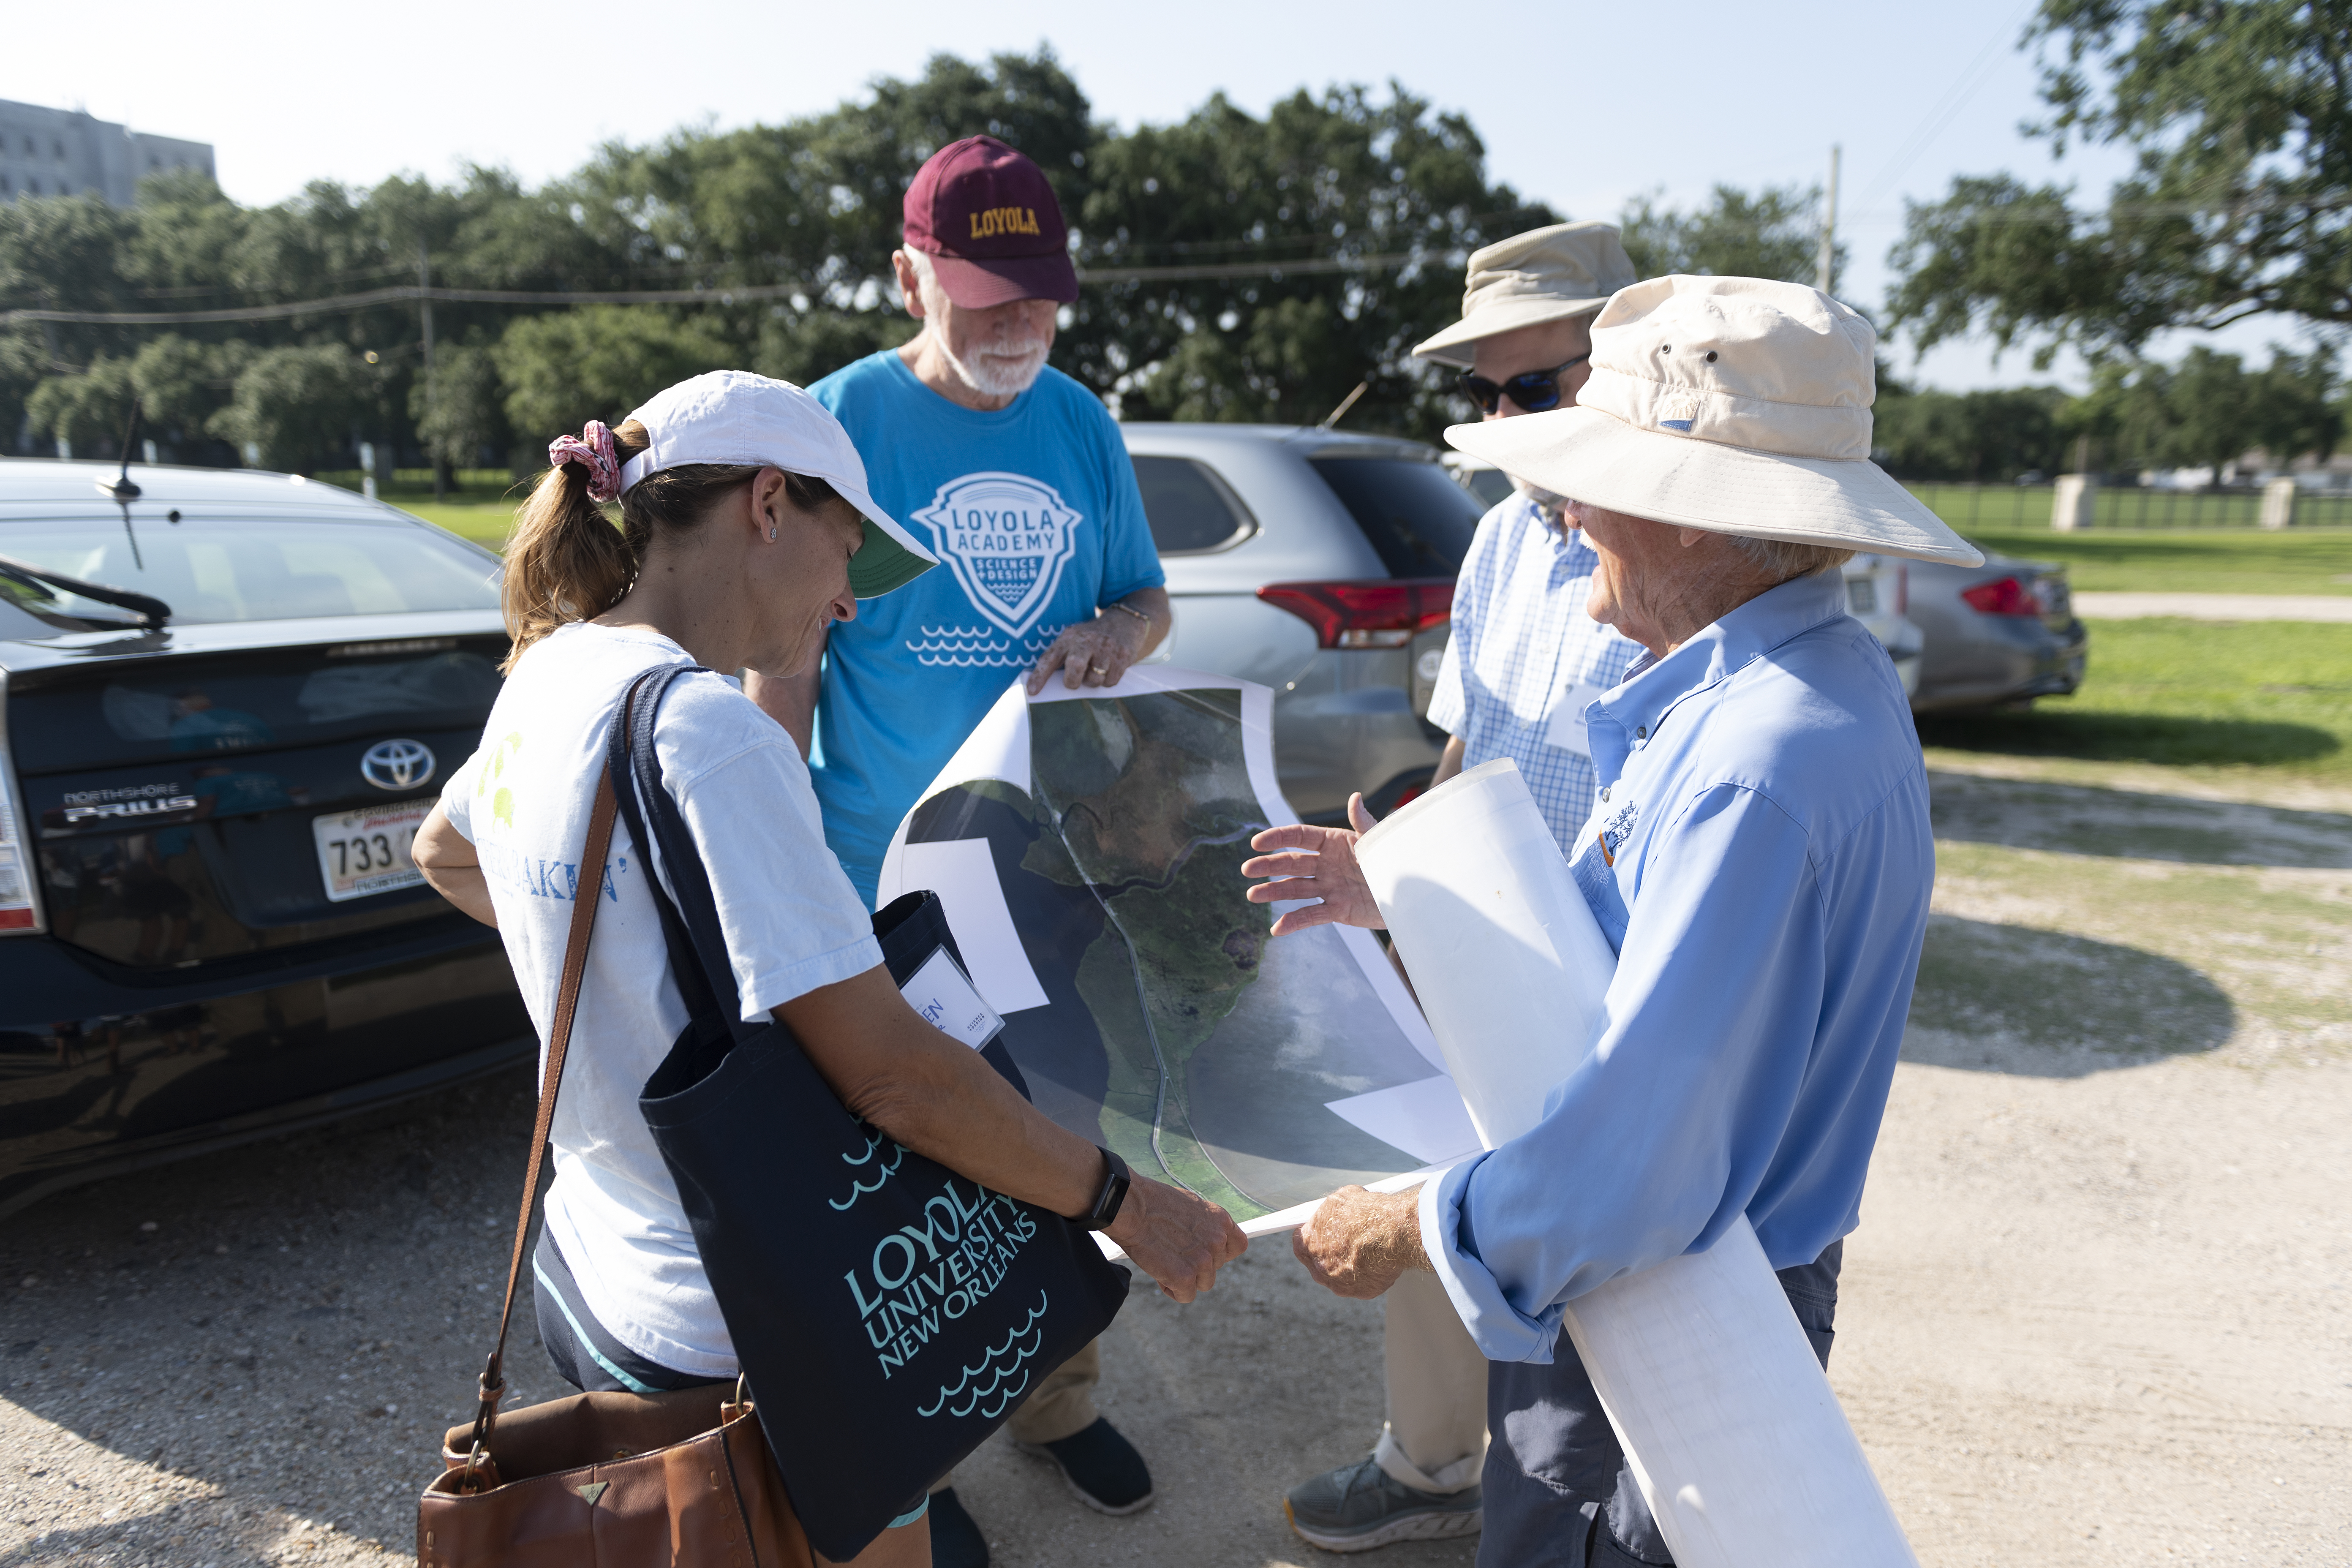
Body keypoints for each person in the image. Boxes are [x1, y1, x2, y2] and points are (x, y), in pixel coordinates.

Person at [412, 370, 1245, 1568]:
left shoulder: (550, 673)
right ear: (768, 505)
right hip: (759, 1332)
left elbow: (446, 853)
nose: (850, 600)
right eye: (850, 550)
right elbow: (895, 1078)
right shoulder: (710, 732)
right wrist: (1128, 1204)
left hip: (603, 1273)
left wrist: (609, 980)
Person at [1246, 276, 1982, 1567]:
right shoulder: (1804, 684)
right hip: (1704, 1290)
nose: (1570, 513)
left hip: (1664, 1320)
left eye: (1595, 477)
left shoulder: (1752, 761)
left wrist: (1405, 1225)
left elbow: (1627, 1174)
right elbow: (1642, 962)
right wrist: (1420, 892)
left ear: (1695, 513)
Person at [744, 135, 1169, 1568]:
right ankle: (919, 1459)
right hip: (874, 872)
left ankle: (1058, 1401)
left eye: (1039, 295)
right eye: (987, 296)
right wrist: (772, 846)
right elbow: (781, 656)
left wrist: (1116, 634)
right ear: (909, 276)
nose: (1018, 324)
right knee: (898, 1175)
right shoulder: (836, 424)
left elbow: (1148, 600)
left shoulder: (1080, 422)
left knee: (1053, 1137)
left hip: (1040, 870)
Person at [1272, 219, 1645, 1555]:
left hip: (1610, 979)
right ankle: (1430, 1464)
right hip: (1475, 948)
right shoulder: (1496, 541)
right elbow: (1467, 745)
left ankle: (1584, 1502)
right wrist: (1400, 879)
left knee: (1597, 1267)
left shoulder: (1669, 549)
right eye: (1483, 393)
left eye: (1532, 387)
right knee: (1439, 1197)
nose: (1500, 421)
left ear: (1624, 367)